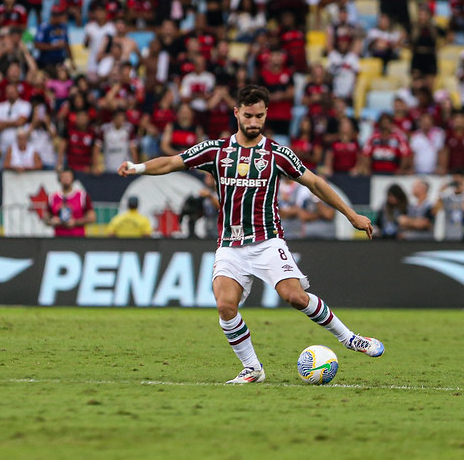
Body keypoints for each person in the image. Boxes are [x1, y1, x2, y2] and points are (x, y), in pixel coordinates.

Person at [118, 85, 384, 384]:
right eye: (248, 116)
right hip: (230, 245)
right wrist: (137, 167)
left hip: (267, 241)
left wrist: (351, 215)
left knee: (295, 297)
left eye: (259, 116)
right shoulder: (216, 151)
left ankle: (350, 339)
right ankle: (253, 369)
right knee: (224, 305)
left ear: (266, 114)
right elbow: (171, 162)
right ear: (236, 113)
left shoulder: (277, 154)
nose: (254, 122)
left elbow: (315, 183)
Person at [43, 167, 96, 237]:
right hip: (58, 238)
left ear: (73, 178)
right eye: (63, 177)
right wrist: (52, 221)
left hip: (78, 237)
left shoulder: (82, 196)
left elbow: (92, 217)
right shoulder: (52, 197)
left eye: (68, 176)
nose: (66, 179)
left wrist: (75, 222)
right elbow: (46, 218)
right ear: (59, 179)